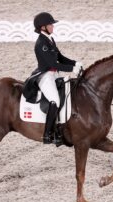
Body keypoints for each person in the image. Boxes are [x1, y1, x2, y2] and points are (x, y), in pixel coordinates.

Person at [33, 12, 82, 145]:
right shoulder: (41, 44)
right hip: (45, 75)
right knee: (54, 100)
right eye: (50, 25)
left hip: (54, 74)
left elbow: (60, 58)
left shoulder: (50, 39)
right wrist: (71, 70)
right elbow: (52, 64)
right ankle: (48, 134)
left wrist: (74, 63)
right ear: (43, 27)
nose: (53, 27)